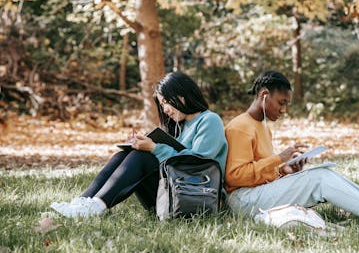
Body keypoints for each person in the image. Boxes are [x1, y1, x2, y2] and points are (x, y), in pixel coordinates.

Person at [224, 70, 359, 230]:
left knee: (322, 173)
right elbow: (234, 177)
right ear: (264, 95)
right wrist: (278, 158)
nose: (284, 110)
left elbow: (258, 174)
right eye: (281, 102)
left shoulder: (262, 127)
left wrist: (284, 171)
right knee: (319, 178)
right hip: (242, 202)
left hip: (256, 193)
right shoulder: (240, 127)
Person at [51, 72, 228, 218]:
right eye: (162, 104)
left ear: (182, 96)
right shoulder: (179, 126)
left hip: (198, 198)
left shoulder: (209, 120)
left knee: (142, 157)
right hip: (173, 195)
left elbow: (197, 164)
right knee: (123, 155)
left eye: (166, 102)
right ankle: (83, 202)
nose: (165, 109)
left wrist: (154, 148)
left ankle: (96, 206)